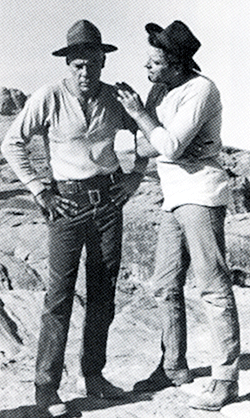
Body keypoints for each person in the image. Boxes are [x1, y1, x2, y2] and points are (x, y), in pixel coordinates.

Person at [1, 20, 148, 417]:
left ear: (103, 61)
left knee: (103, 293)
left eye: (92, 64)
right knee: (59, 298)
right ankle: (46, 388)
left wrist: (135, 176)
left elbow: (146, 135)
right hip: (65, 204)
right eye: (78, 66)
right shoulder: (49, 95)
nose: (85, 73)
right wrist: (40, 190)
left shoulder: (117, 99)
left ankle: (94, 375)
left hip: (107, 203)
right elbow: (12, 142)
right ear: (68, 65)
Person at [115, 20, 240, 411]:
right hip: (173, 196)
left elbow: (165, 145)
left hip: (201, 195)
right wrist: (154, 139)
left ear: (176, 63)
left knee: (213, 287)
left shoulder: (201, 89)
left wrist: (140, 115)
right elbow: (148, 145)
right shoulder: (160, 91)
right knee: (164, 284)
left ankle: (225, 380)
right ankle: (173, 367)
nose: (147, 68)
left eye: (154, 62)